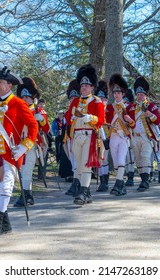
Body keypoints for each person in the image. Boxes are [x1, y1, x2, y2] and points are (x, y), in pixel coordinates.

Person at [0, 66, 38, 235]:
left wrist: (24, 146)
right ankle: (6, 225)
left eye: (0, 82)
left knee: (6, 185)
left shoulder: (18, 103)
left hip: (10, 153)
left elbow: (33, 125)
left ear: (9, 85)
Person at [64, 64, 105, 205]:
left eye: (87, 86)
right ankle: (86, 193)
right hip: (76, 136)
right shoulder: (75, 101)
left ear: (92, 87)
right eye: (82, 86)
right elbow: (68, 117)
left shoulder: (96, 101)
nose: (83, 88)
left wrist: (90, 118)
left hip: (89, 135)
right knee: (79, 165)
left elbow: (101, 120)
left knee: (86, 164)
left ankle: (82, 192)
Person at [13, 77, 50, 207]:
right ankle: (29, 195)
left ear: (32, 97)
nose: (24, 99)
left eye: (27, 97)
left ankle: (24, 195)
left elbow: (47, 129)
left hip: (32, 145)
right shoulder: (16, 110)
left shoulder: (38, 110)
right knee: (22, 170)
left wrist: (41, 120)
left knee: (26, 170)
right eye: (22, 97)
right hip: (19, 144)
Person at [105, 73, 135, 196]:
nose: (116, 95)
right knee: (117, 162)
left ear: (123, 94)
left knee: (122, 159)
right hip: (113, 136)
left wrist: (130, 120)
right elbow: (106, 123)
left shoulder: (130, 107)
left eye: (119, 93)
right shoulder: (110, 108)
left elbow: (133, 124)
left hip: (123, 137)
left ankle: (117, 183)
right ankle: (121, 185)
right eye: (115, 93)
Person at [130, 76, 160, 191]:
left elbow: (157, 120)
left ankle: (145, 181)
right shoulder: (132, 107)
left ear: (145, 95)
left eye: (141, 94)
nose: (139, 96)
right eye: (138, 94)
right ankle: (143, 178)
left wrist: (150, 115)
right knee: (138, 159)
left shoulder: (151, 106)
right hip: (135, 136)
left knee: (145, 157)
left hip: (147, 136)